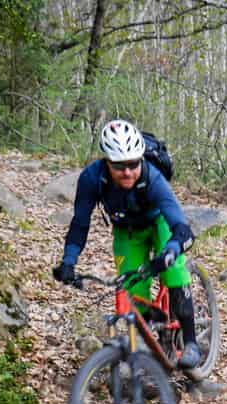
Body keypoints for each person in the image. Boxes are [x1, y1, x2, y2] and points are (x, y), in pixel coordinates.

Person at [53, 119, 201, 369]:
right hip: (127, 231)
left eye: (133, 164)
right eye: (119, 166)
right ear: (106, 162)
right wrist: (69, 261)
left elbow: (181, 226)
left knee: (174, 270)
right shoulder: (92, 178)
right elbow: (80, 223)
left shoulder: (152, 177)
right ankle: (152, 346)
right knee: (134, 291)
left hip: (160, 222)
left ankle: (191, 342)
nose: (128, 172)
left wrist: (172, 250)